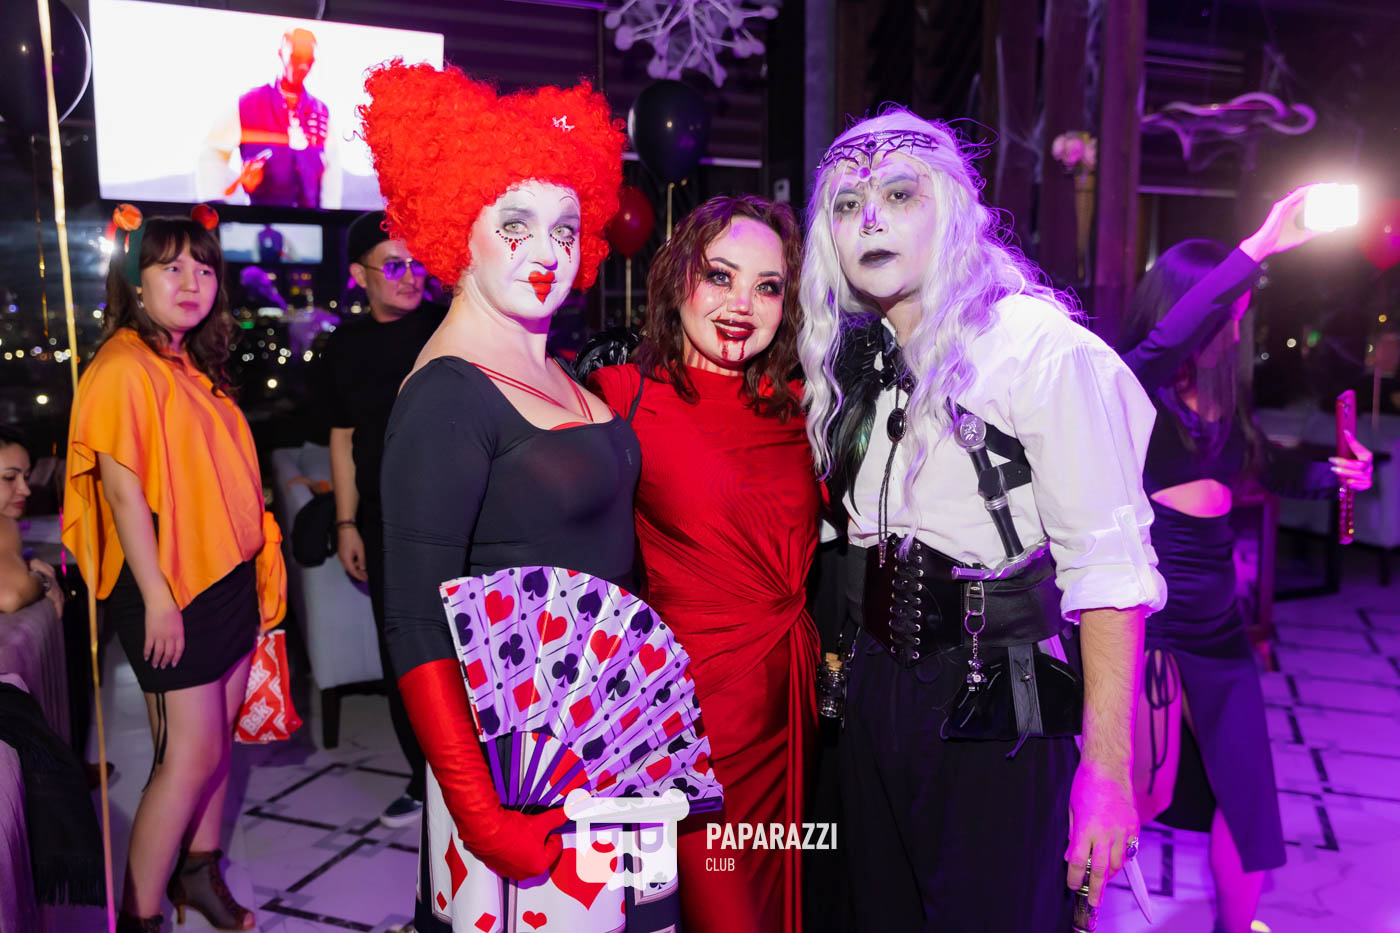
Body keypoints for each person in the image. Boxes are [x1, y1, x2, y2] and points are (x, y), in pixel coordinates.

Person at [798, 108, 1167, 931]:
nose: (872, 219)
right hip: (874, 690)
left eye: (900, 194)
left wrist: (1109, 771)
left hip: (997, 694)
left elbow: (1109, 571)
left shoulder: (1040, 350)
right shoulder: (857, 358)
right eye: (848, 204)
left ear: (954, 210)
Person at [361, 62, 646, 932]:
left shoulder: (550, 367)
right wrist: (482, 816)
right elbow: (414, 622)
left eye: (565, 228)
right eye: (513, 224)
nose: (545, 252)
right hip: (518, 763)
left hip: (606, 733)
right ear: (460, 229)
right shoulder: (448, 393)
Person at [1117, 185, 1371, 933]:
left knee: (1249, 800)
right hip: (1153, 627)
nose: (1235, 324)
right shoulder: (1133, 391)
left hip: (1219, 628)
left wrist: (1338, 475)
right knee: (1127, 798)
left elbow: (1269, 469)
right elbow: (1163, 346)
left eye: (1239, 310)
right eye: (1225, 310)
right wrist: (1257, 248)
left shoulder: (1225, 405)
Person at [590, 195, 818, 933]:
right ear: (677, 277)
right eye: (720, 275)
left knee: (778, 903)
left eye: (767, 286)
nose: (741, 304)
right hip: (688, 715)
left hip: (787, 708)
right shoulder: (620, 398)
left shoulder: (801, 406)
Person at [63, 209, 286, 933]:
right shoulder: (122, 365)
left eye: (204, 267)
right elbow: (124, 494)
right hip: (169, 584)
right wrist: (159, 599)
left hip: (224, 576)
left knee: (214, 751)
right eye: (171, 267)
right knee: (187, 757)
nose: (192, 282)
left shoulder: (185, 361)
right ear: (135, 281)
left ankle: (199, 870)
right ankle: (139, 916)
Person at [316, 209, 441, 829]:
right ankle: (423, 779)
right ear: (359, 275)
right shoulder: (345, 346)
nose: (410, 275)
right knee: (403, 658)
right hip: (384, 524)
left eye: (417, 263)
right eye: (393, 266)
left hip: (454, 516)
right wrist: (346, 524)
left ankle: (478, 782)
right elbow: (342, 439)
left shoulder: (449, 327)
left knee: (464, 648)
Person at [198, 28, 341, 208]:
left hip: (311, 220)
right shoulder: (248, 103)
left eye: (309, 60)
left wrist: (330, 215)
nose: (303, 66)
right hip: (262, 219)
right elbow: (213, 151)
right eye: (296, 58)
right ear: (281, 54)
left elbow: (332, 169)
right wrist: (214, 204)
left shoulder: (321, 111)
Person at [0, 427, 64, 617]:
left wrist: (23, 566)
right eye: (9, 478)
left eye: (26, 477)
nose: (25, 490)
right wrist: (43, 581)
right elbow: (9, 596)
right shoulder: (5, 523)